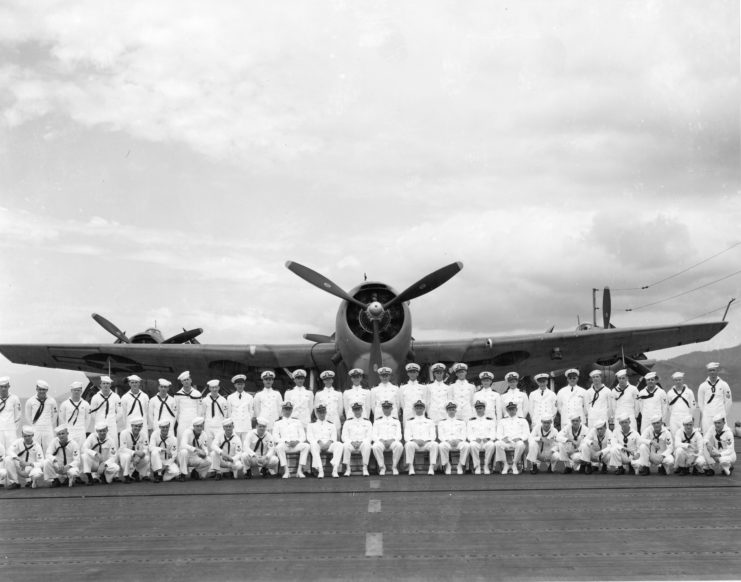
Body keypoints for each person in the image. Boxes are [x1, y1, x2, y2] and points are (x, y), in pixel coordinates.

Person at [274, 402, 310, 479]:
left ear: (292, 410)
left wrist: (297, 441)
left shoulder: (297, 422)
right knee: (279, 447)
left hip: (296, 445)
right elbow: (275, 437)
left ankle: (299, 470)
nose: (287, 411)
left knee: (306, 446)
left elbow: (303, 436)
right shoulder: (277, 423)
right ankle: (286, 471)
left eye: (289, 409)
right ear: (282, 410)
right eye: (286, 409)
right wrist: (286, 442)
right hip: (286, 445)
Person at [306, 404, 342, 479]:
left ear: (326, 412)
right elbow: (310, 437)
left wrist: (328, 443)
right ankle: (320, 470)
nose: (321, 414)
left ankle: (335, 470)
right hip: (317, 445)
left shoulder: (331, 424)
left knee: (339, 444)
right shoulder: (311, 425)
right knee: (313, 445)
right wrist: (319, 442)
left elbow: (334, 437)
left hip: (329, 445)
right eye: (319, 412)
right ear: (316, 413)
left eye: (323, 412)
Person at [403, 401, 438, 475]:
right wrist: (415, 440)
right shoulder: (409, 421)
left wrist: (425, 441)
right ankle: (411, 467)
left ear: (424, 409)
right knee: (408, 444)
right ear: (414, 409)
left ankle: (431, 467)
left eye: (421, 408)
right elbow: (407, 436)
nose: (419, 410)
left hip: (426, 443)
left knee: (434, 444)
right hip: (414, 443)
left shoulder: (430, 421)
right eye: (417, 408)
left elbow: (433, 435)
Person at [495, 401, 530, 475]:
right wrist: (502, 438)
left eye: (513, 409)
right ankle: (505, 464)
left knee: (520, 444)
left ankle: (514, 464)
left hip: (517, 442)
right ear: (507, 410)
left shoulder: (523, 420)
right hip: (506, 442)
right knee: (497, 443)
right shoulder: (502, 421)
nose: (511, 411)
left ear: (516, 410)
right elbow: (498, 434)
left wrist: (520, 438)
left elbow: (527, 434)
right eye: (509, 409)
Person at [698, 362, 733, 434]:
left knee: (722, 437)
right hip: (707, 417)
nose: (712, 372)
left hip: (720, 415)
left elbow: (728, 402)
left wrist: (723, 414)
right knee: (707, 437)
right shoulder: (702, 386)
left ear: (717, 371)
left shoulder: (724, 385)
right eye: (710, 370)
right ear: (708, 372)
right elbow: (700, 403)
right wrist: (705, 413)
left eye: (714, 370)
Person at [371, 400, 404, 475]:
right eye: (385, 408)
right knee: (375, 446)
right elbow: (374, 435)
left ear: (391, 409)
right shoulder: (377, 421)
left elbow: (399, 435)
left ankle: (394, 466)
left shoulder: (396, 421)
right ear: (382, 409)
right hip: (381, 442)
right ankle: (382, 467)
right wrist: (380, 440)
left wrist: (393, 440)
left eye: (388, 408)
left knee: (399, 445)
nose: (386, 410)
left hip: (392, 441)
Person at [437, 401, 470, 474]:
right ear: (447, 411)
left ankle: (460, 465)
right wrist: (447, 441)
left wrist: (458, 440)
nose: (451, 411)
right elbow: (441, 435)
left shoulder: (461, 422)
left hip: (458, 442)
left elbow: (464, 434)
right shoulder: (442, 423)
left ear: (455, 411)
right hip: (447, 442)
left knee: (466, 445)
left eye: (453, 410)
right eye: (449, 410)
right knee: (441, 445)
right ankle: (447, 464)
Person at [25, 380, 58, 452]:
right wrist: (33, 425)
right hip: (36, 428)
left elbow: (55, 415)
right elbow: (28, 415)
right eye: (40, 389)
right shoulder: (30, 401)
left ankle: (47, 463)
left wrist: (49, 424)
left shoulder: (52, 401)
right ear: (36, 389)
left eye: (43, 390)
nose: (41, 391)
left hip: (48, 428)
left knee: (49, 448)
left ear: (47, 390)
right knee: (34, 448)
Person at [341, 402, 373, 476]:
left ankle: (365, 468)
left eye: (358, 409)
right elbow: (344, 436)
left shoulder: (367, 422)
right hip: (351, 443)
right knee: (345, 445)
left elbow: (369, 436)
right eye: (355, 410)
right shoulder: (347, 422)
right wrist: (351, 442)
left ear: (362, 410)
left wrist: (361, 442)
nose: (357, 411)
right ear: (352, 411)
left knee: (367, 445)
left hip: (362, 443)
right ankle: (348, 468)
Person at [466, 400, 497, 475]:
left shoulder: (490, 420)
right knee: (472, 445)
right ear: (475, 409)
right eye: (477, 408)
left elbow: (493, 433)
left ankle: (486, 465)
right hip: (476, 441)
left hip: (486, 441)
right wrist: (474, 439)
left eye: (481, 408)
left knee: (491, 445)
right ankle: (477, 466)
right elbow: (468, 434)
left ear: (484, 409)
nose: (479, 410)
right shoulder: (471, 421)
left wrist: (489, 438)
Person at [173, 371, 203, 446]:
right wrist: (179, 421)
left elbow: (200, 410)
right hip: (182, 422)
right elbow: (177, 411)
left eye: (187, 379)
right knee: (181, 441)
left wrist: (198, 422)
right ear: (182, 382)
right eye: (184, 380)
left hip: (194, 421)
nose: (186, 381)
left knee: (194, 442)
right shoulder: (177, 395)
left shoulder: (197, 394)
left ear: (191, 380)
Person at [89, 376, 121, 445]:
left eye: (107, 383)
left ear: (110, 385)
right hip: (99, 424)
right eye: (104, 383)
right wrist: (98, 420)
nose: (105, 385)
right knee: (98, 443)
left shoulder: (116, 397)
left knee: (113, 443)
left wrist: (113, 420)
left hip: (111, 424)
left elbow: (120, 412)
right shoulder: (95, 397)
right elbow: (92, 412)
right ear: (100, 385)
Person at [58, 381, 90, 449]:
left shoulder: (85, 404)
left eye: (78, 390)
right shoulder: (65, 404)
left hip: (81, 431)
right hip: (70, 431)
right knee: (69, 450)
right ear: (71, 391)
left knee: (82, 451)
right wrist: (65, 430)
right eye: (75, 390)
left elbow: (88, 418)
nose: (76, 392)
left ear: (81, 391)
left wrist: (84, 429)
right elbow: (61, 419)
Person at [118, 416, 150, 483]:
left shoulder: (144, 434)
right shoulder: (124, 433)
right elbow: (123, 448)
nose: (137, 428)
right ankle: (126, 475)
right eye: (135, 426)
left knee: (147, 458)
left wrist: (141, 455)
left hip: (137, 457)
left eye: (139, 426)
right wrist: (135, 453)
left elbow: (146, 448)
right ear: (131, 425)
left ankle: (138, 473)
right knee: (127, 456)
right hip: (125, 455)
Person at [149, 419, 180, 483]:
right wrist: (163, 449)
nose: (165, 429)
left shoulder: (173, 438)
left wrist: (166, 465)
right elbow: (151, 447)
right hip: (157, 460)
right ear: (160, 427)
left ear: (169, 427)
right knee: (154, 452)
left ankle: (162, 476)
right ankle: (157, 475)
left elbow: (174, 455)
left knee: (176, 472)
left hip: (167, 461)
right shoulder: (154, 434)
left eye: (166, 427)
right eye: (163, 427)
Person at [227, 374, 254, 441]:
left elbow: (251, 411)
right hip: (235, 425)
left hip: (246, 425)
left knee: (245, 444)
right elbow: (229, 412)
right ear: (235, 385)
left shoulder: (249, 397)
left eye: (241, 384)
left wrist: (247, 420)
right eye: (238, 384)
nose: (240, 386)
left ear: (244, 385)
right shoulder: (230, 397)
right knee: (236, 444)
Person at [0, 376, 22, 451]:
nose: (3, 389)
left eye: (5, 387)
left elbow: (18, 415)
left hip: (10, 430)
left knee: (11, 450)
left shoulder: (14, 398)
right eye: (1, 386)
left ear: (9, 386)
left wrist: (13, 428)